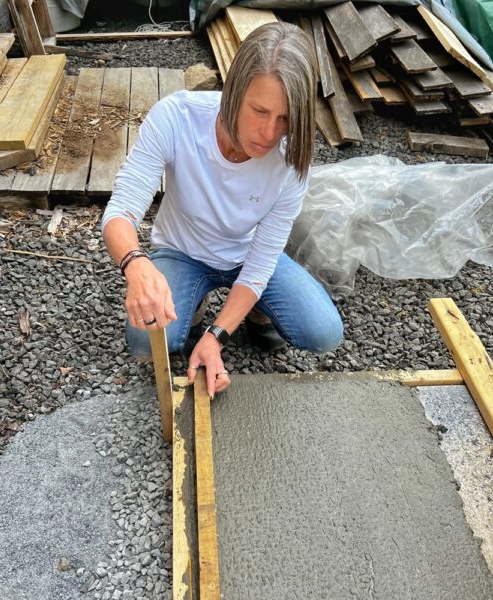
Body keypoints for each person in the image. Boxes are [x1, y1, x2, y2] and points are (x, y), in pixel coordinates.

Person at [102, 21, 343, 398]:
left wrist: (216, 336)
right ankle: (194, 303)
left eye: (284, 119)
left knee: (325, 332)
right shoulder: (176, 118)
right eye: (259, 111)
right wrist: (136, 264)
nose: (269, 132)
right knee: (143, 341)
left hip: (247, 257)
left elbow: (263, 258)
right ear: (233, 91)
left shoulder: (292, 156)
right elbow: (121, 210)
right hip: (182, 252)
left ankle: (252, 310)